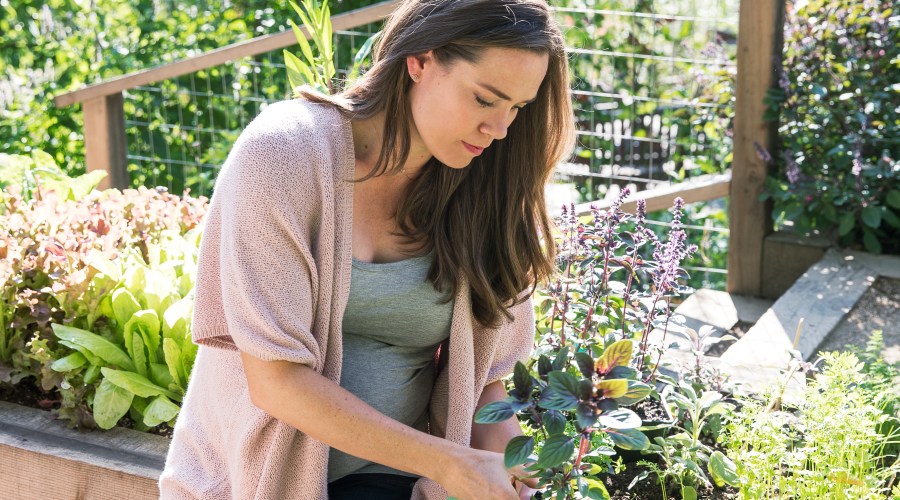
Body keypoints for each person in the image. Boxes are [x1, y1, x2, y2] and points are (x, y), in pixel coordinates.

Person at [159, 0, 575, 498]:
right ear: (420, 60)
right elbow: (276, 381)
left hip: (404, 481)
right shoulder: (284, 155)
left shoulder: (489, 189)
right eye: (486, 100)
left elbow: (485, 384)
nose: (501, 128)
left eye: (518, 107)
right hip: (265, 481)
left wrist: (522, 480)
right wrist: (453, 464)